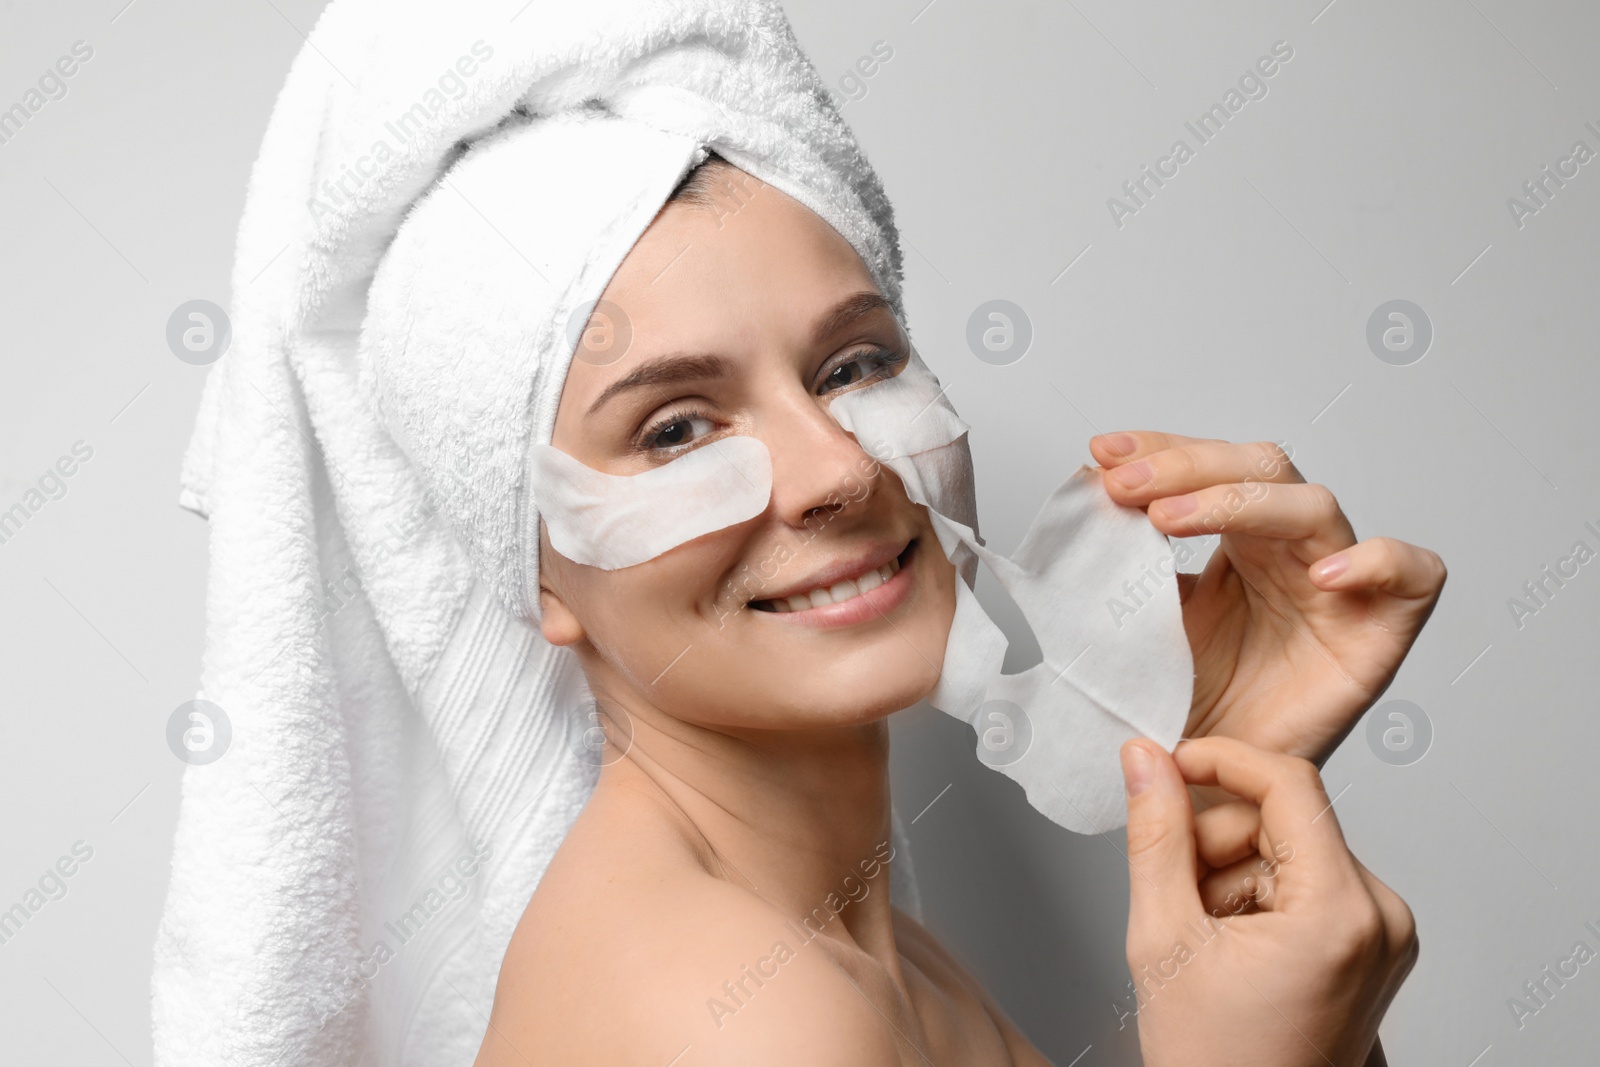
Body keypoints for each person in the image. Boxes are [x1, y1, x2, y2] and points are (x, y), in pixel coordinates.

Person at [470, 153, 1443, 1066]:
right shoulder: (731, 1016)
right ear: (541, 576)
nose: (844, 468)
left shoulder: (870, 951)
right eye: (677, 430)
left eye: (852, 366)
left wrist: (1223, 800)